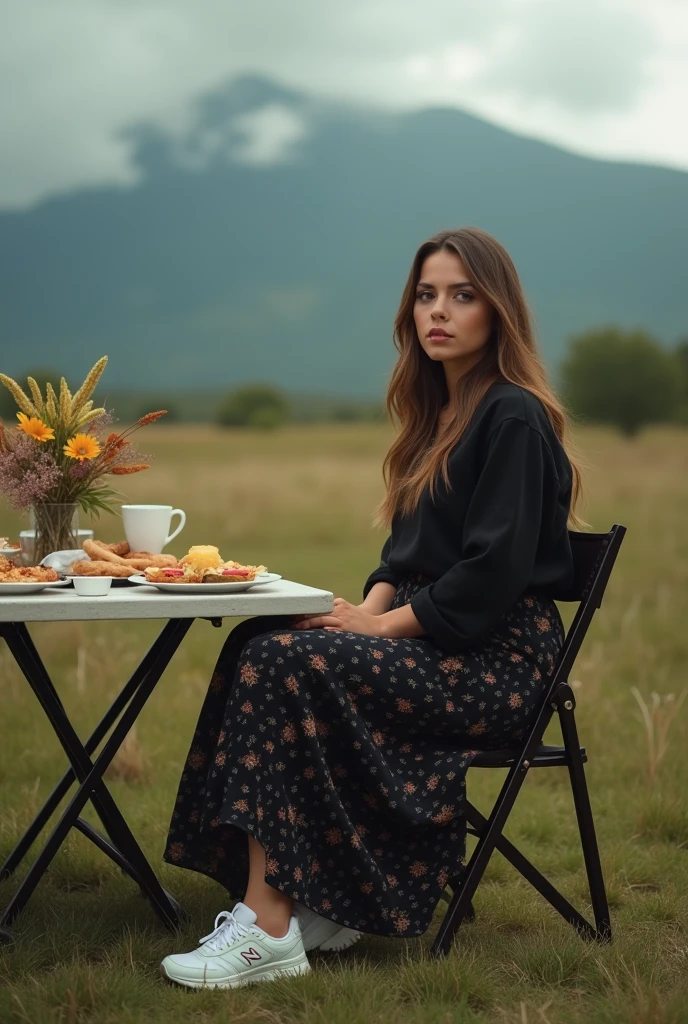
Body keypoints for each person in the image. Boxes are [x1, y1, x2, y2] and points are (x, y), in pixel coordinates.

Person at [159, 226, 583, 989]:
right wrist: (368, 607)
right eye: (426, 295)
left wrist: (382, 626)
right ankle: (308, 894)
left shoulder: (511, 416)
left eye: (462, 295)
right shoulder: (438, 416)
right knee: (266, 639)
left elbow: (492, 572)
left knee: (287, 661)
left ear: (499, 312)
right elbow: (404, 558)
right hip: (435, 638)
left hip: (495, 659)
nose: (439, 312)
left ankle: (268, 930)